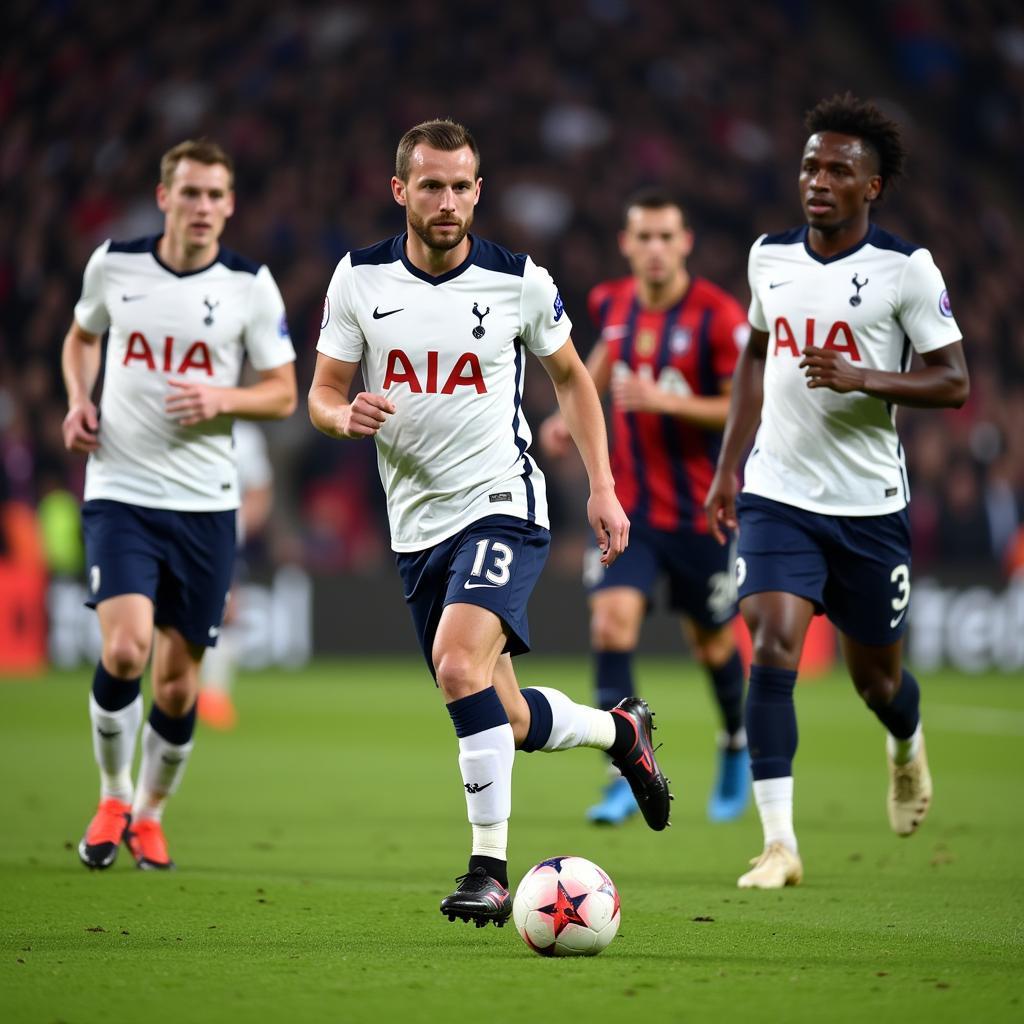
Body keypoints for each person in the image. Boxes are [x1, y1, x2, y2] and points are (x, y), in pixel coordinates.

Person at [309, 119, 671, 928]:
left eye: (462, 185)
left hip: (503, 503)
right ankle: (620, 734)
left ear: (480, 190)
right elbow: (322, 392)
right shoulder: (358, 279)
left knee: (454, 664)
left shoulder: (518, 281)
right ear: (400, 190)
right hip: (416, 529)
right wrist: (342, 417)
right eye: (431, 185)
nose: (448, 201)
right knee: (501, 713)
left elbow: (574, 380)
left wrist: (602, 488)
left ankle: (488, 870)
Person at [705, 94, 969, 889]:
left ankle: (905, 744)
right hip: (778, 493)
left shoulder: (905, 270)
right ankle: (779, 844)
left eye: (838, 170)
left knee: (876, 683)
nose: (818, 181)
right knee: (774, 647)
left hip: (868, 508)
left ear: (872, 187)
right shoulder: (768, 258)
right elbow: (756, 354)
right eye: (810, 166)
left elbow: (953, 381)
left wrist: (865, 378)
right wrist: (728, 464)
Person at [63, 139, 297, 871]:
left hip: (205, 505)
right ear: (164, 197)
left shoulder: (250, 286)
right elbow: (80, 338)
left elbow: (285, 391)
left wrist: (223, 397)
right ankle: (112, 795)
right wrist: (78, 400)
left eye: (215, 195)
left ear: (230, 204)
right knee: (126, 648)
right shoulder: (115, 265)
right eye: (189, 193)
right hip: (121, 490)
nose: (202, 208)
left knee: (177, 678)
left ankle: (153, 814)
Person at [540, 190, 751, 826]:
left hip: (698, 513)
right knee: (610, 625)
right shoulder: (613, 302)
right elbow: (603, 358)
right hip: (629, 508)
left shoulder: (717, 315)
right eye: (644, 237)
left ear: (685, 242)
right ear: (627, 245)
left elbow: (746, 403)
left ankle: (736, 744)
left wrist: (670, 401)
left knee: (711, 643)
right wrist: (562, 420)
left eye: (666, 236)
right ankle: (622, 771)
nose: (655, 249)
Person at [197, 419, 275, 730]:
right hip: (174, 531)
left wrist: (235, 527)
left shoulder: (246, 435)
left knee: (226, 612)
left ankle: (212, 695)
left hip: (221, 536)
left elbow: (260, 491)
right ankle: (200, 693)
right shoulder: (183, 420)